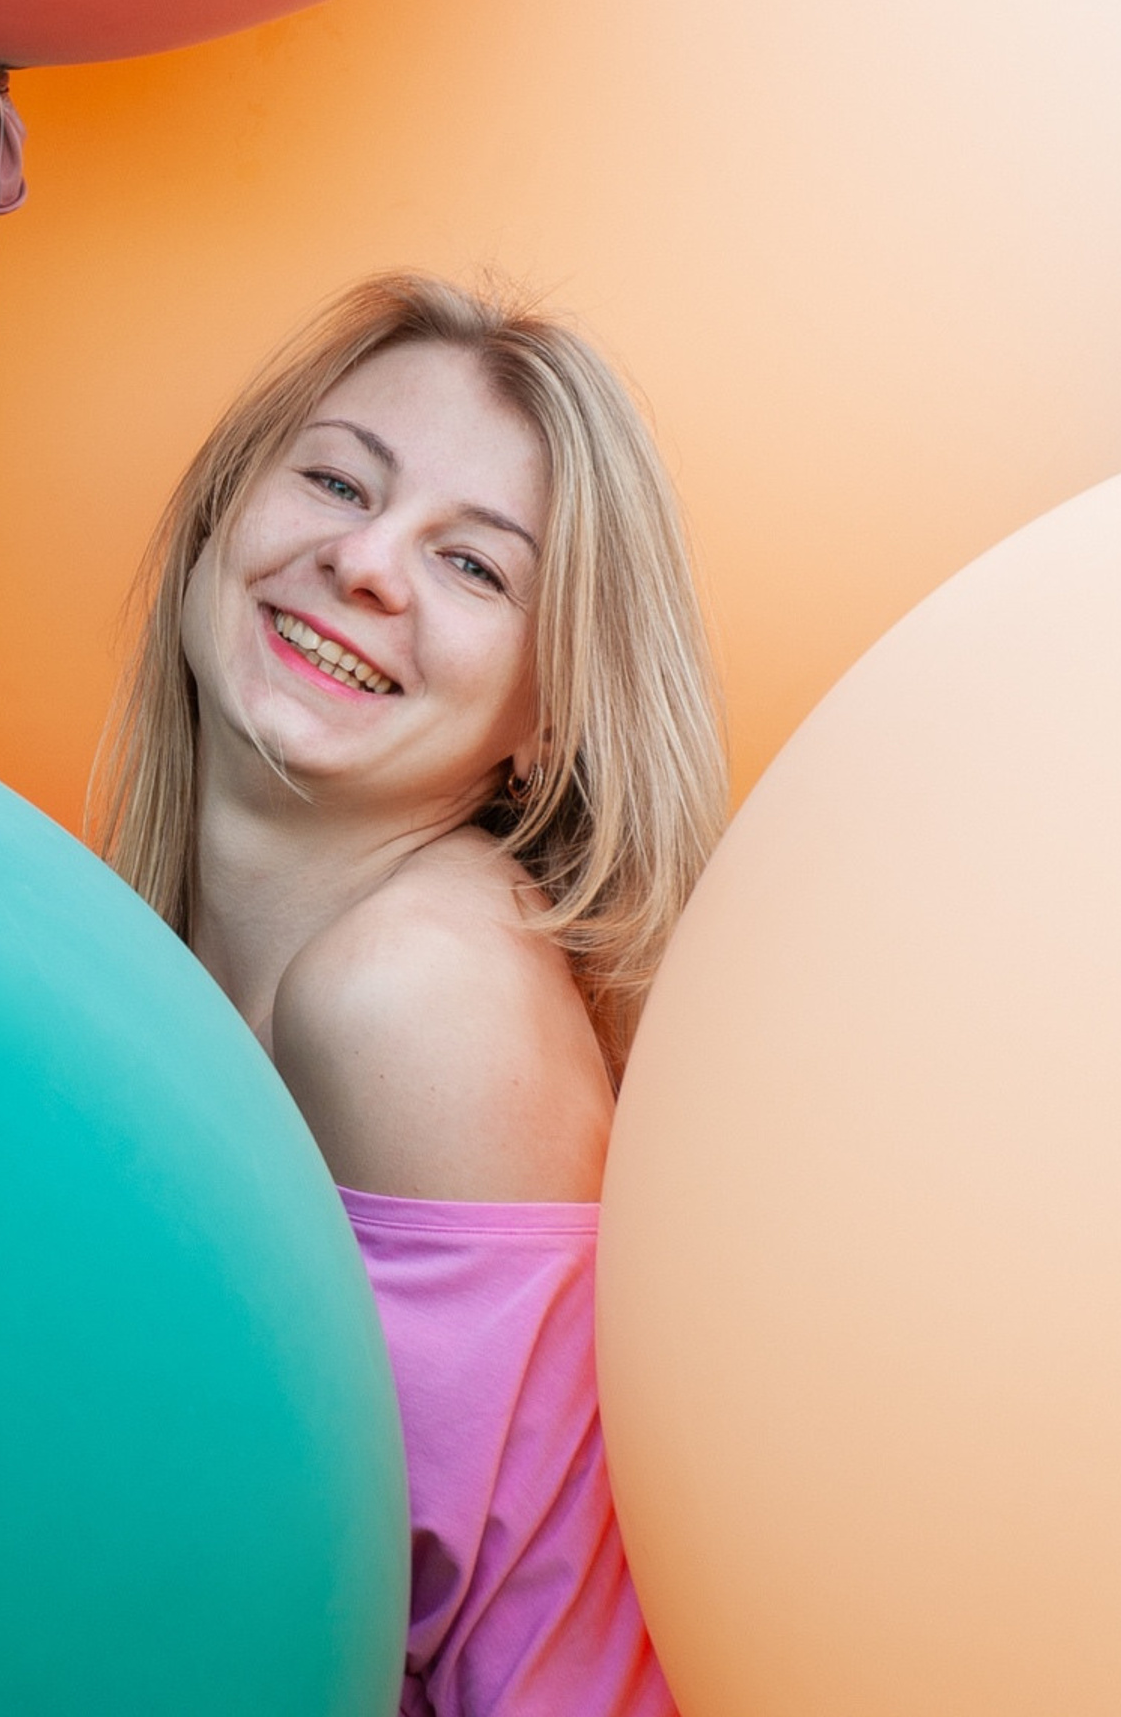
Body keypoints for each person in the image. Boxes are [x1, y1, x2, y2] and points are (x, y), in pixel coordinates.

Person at [94, 274, 725, 1717]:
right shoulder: (153, 974)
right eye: (335, 481)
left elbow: (457, 1648)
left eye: (476, 567)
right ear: (220, 517)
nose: (366, 562)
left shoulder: (410, 993)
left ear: (549, 716)